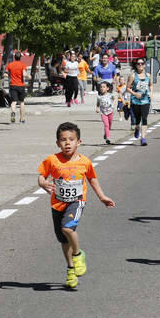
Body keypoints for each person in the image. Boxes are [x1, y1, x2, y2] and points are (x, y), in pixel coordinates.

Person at [38, 122, 116, 289]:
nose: (67, 143)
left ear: (79, 142)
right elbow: (41, 176)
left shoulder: (85, 162)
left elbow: (92, 179)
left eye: (71, 139)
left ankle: (78, 254)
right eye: (63, 140)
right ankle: (71, 269)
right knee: (63, 240)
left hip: (77, 201)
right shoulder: (52, 160)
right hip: (57, 204)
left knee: (68, 229)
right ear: (57, 143)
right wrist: (43, 183)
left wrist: (101, 196)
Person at [127, 58, 152, 146]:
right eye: (138, 63)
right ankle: (137, 128)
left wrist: (151, 93)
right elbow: (128, 88)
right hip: (135, 101)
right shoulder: (133, 76)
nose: (140, 65)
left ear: (144, 65)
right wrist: (134, 93)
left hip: (145, 100)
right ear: (136, 65)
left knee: (144, 118)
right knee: (137, 119)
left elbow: (150, 85)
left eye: (142, 63)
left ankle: (143, 138)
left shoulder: (148, 75)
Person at [5, 52, 28, 124]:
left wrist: (9, 75)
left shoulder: (10, 65)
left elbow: (5, 74)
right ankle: (22, 119)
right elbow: (24, 74)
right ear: (20, 57)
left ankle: (13, 112)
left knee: (14, 102)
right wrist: (28, 76)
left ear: (14, 57)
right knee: (21, 102)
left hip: (13, 85)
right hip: (21, 85)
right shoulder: (23, 65)